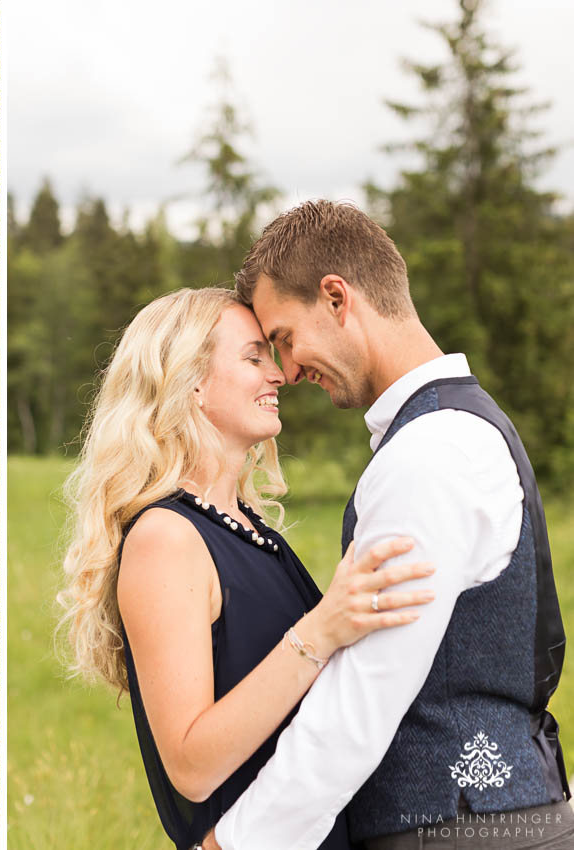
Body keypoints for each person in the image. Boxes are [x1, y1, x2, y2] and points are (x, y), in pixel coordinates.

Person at [202, 200, 570, 850]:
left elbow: (365, 698)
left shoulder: (429, 454)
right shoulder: (452, 429)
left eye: (285, 339)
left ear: (338, 298)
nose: (287, 372)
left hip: (456, 828)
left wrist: (235, 844)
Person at [59, 286, 435, 850]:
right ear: (189, 380)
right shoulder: (167, 538)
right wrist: (320, 629)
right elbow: (191, 765)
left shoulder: (249, 527)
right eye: (253, 357)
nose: (280, 374)